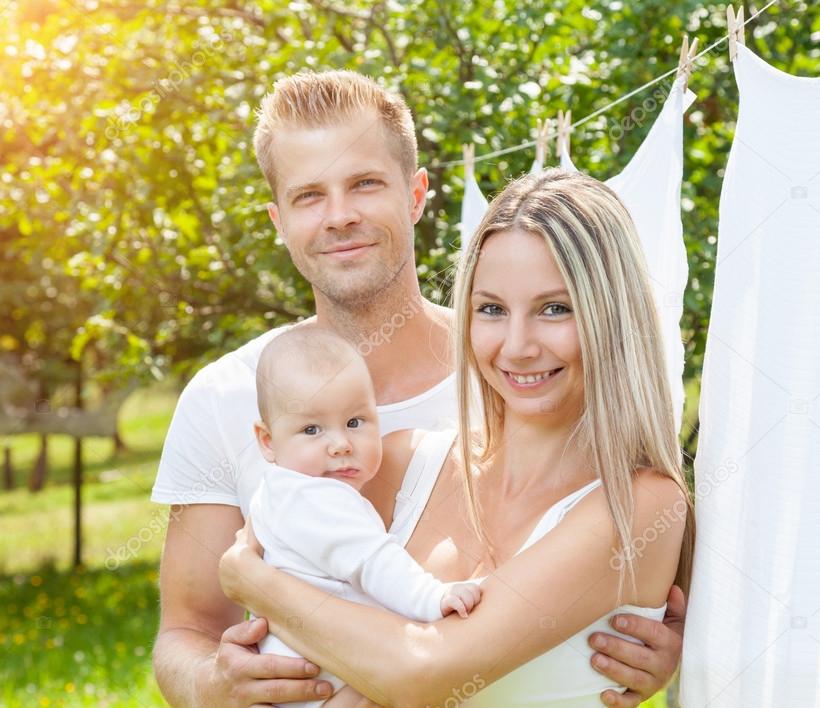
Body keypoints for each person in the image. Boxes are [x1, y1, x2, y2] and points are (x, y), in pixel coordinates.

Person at [151, 69, 686, 707]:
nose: (340, 216)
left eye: (365, 184)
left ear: (416, 194)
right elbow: (189, 630)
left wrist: (658, 641)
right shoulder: (263, 409)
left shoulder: (503, 393)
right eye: (310, 195)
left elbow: (425, 664)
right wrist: (213, 685)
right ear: (278, 218)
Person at [249, 325, 482, 707]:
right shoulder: (314, 499)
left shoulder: (278, 493)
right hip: (317, 679)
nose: (341, 444)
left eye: (355, 422)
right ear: (268, 441)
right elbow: (372, 561)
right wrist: (433, 596)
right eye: (312, 429)